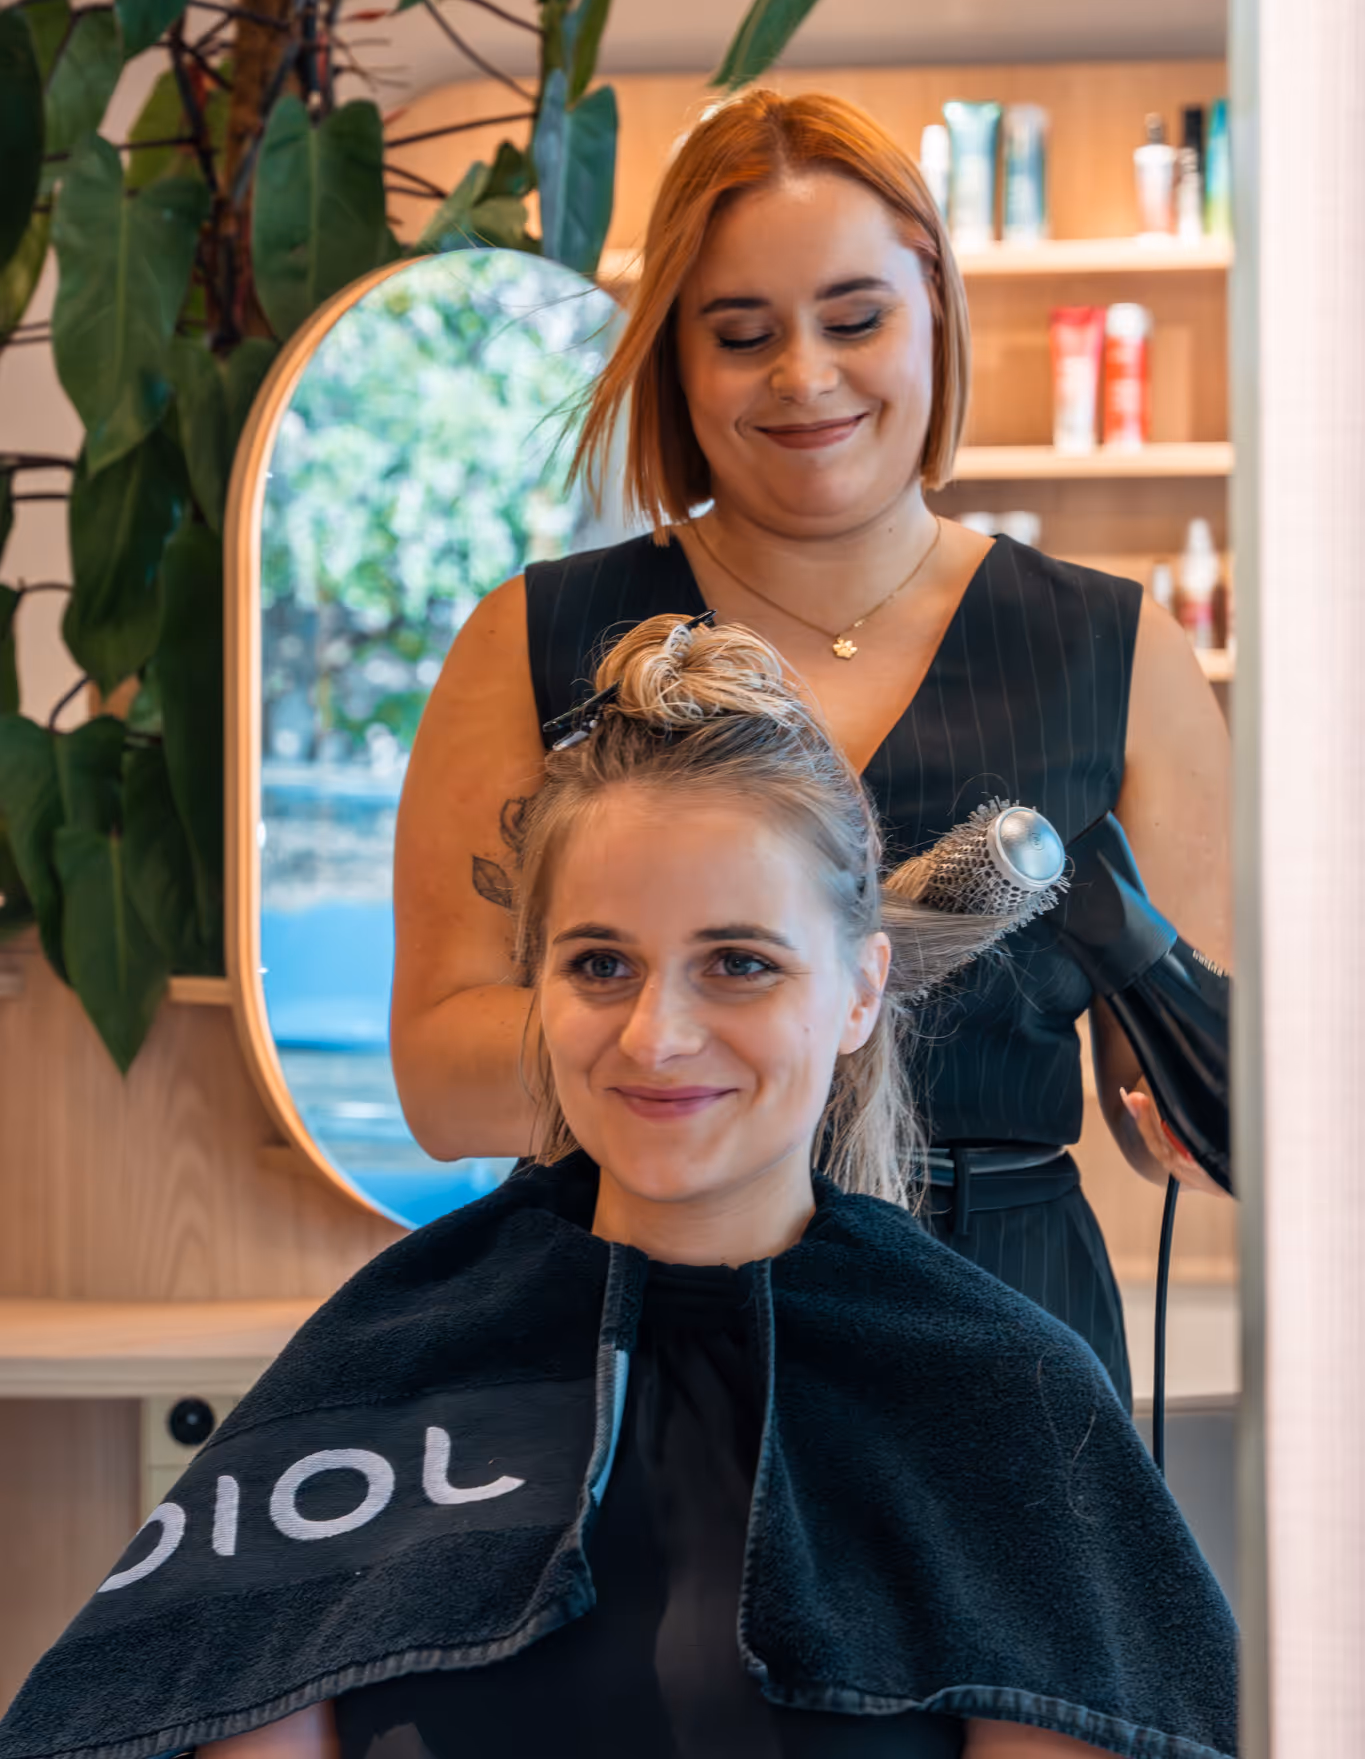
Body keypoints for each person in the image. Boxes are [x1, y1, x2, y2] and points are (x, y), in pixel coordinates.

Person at [0, 619, 1236, 1759]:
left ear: (860, 991)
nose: (655, 1037)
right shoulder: (383, 1368)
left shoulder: (1001, 1397)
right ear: (536, 979)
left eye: (739, 963)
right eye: (600, 963)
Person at [390, 89, 1232, 1411]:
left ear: (935, 315)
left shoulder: (1118, 654)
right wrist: (728, 1025)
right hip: (641, 1311)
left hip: (1003, 1333)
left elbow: (1183, 1119)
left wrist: (1203, 1079)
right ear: (675, 354)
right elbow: (442, 1079)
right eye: (740, 334)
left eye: (855, 319)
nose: (804, 376)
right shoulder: (535, 641)